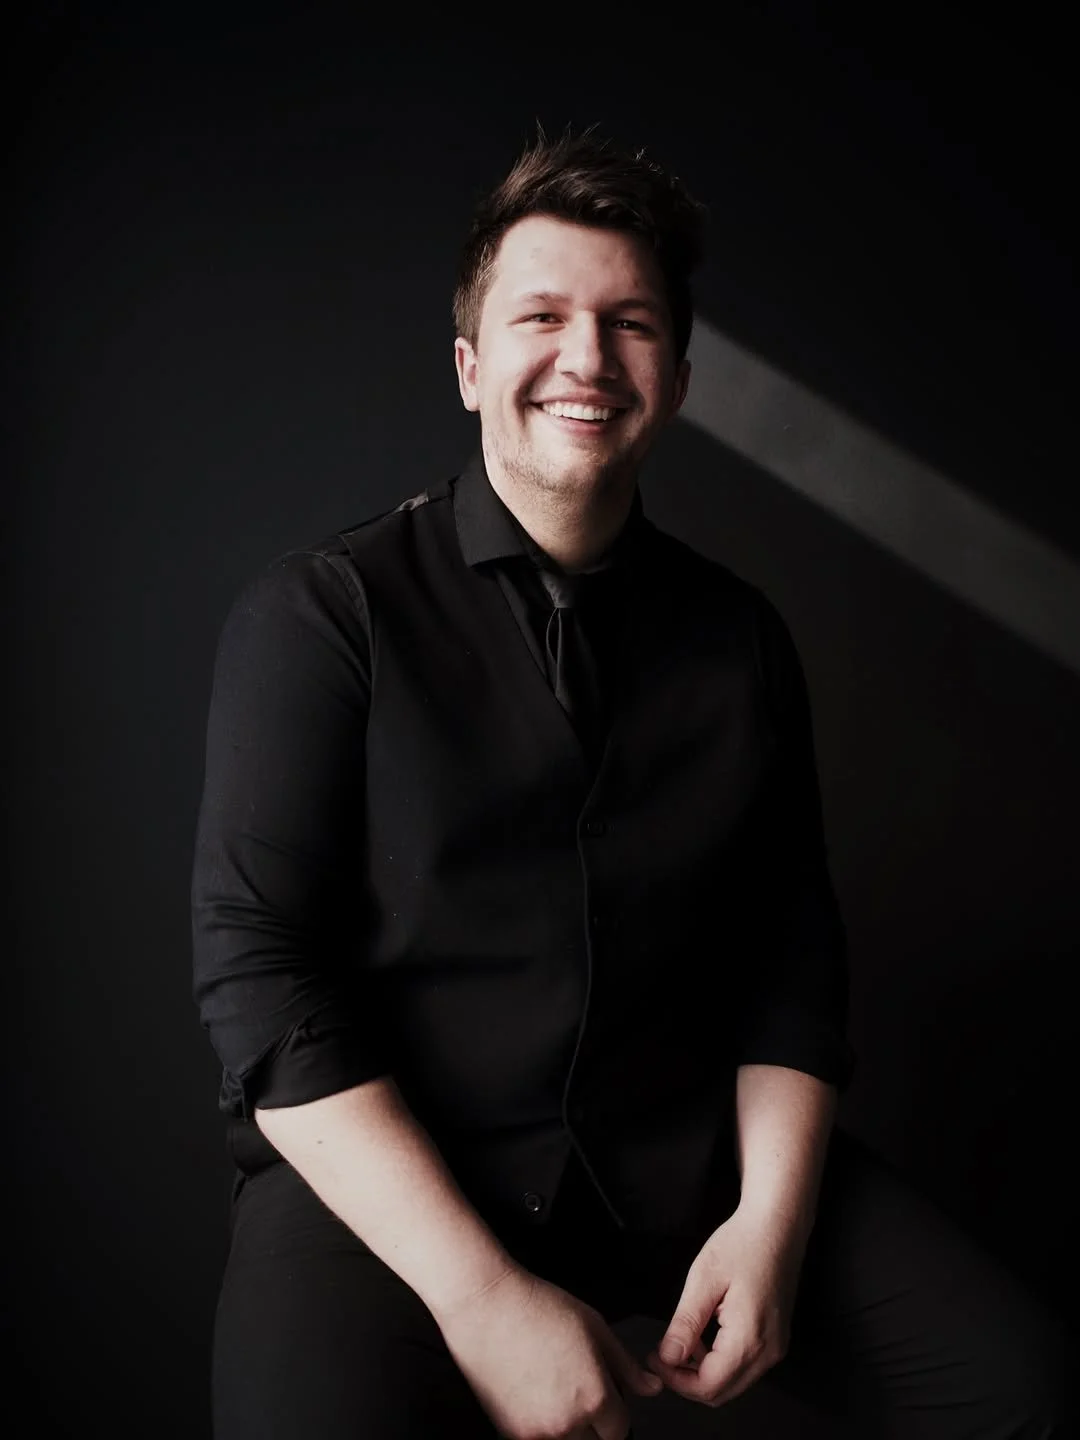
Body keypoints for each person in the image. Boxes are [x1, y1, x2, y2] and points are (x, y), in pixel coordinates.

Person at [190, 126, 1071, 1439]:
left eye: (632, 323)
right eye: (543, 316)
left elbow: (791, 969)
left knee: (1024, 1389)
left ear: (678, 374)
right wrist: (484, 1299)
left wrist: (770, 1232)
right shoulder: (323, 616)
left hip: (681, 1167)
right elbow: (258, 975)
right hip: (389, 1195)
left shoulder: (740, 639)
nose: (588, 357)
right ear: (471, 365)